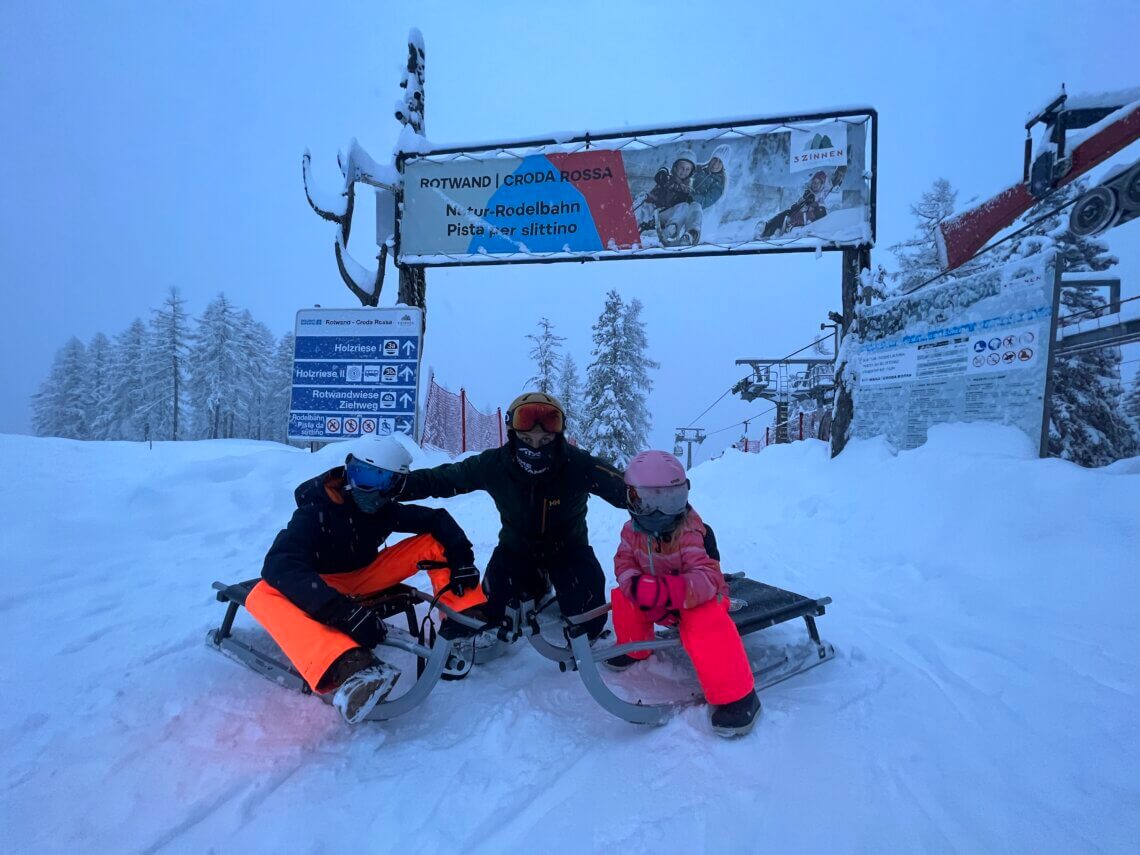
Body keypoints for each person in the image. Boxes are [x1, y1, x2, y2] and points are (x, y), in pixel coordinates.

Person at [246, 437, 485, 724]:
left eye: (380, 479)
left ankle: (465, 615)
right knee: (262, 593)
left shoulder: (384, 510)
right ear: (348, 472)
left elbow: (437, 520)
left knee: (434, 540)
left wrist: (463, 560)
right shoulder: (316, 510)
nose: (367, 487)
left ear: (395, 486)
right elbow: (279, 563)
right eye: (361, 475)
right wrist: (341, 612)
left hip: (366, 574)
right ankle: (351, 666)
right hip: (324, 584)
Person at [397, 392, 627, 640]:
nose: (535, 447)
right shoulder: (495, 464)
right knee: (493, 612)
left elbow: (628, 490)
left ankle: (552, 582)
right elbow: (442, 479)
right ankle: (538, 583)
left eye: (546, 439)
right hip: (516, 551)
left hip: (569, 551)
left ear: (558, 437)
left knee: (588, 621)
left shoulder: (578, 465)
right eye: (526, 439)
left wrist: (662, 503)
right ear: (512, 433)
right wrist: (394, 485)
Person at [605, 450, 761, 736]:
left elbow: (707, 578)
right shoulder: (631, 531)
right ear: (631, 499)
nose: (657, 512)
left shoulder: (691, 531)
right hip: (656, 599)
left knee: (707, 620)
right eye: (647, 501)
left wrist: (666, 592)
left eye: (668, 501)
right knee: (622, 596)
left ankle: (738, 694)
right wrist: (637, 588)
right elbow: (623, 562)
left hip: (698, 598)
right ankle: (635, 646)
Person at [691, 144, 730, 209]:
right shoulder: (699, 168)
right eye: (715, 159)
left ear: (723, 166)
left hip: (695, 209)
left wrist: (690, 197)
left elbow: (705, 201)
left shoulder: (719, 184)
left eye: (720, 161)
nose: (715, 164)